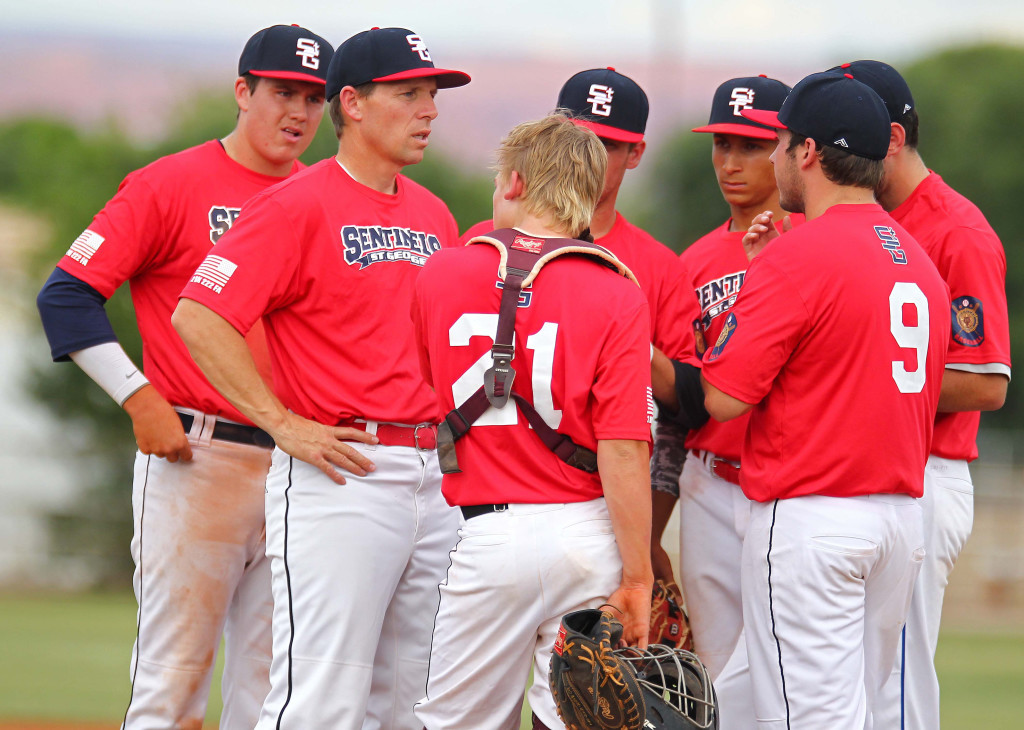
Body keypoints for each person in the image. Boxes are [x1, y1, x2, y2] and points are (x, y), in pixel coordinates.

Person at [35, 24, 333, 729]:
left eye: (314, 98)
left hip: (300, 467)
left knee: (273, 689)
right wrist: (137, 395)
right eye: (283, 91)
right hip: (197, 455)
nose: (298, 112)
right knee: (173, 680)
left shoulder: (321, 195)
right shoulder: (171, 183)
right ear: (243, 91)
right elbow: (67, 294)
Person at [171, 27, 469, 728]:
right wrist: (281, 422)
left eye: (432, 94)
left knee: (414, 695)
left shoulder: (433, 213)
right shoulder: (294, 203)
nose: (428, 109)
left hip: (433, 471)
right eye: (408, 94)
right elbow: (199, 314)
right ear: (354, 104)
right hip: (344, 474)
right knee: (322, 695)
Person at [702, 71, 949, 728]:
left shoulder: (798, 254)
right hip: (898, 520)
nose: (774, 156)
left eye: (780, 142)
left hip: (813, 519)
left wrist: (753, 289)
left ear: (808, 152)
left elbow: (723, 396)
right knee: (855, 713)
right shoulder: (917, 259)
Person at [411, 113, 655, 730]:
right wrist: (638, 576)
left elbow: (428, 383)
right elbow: (624, 447)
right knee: (577, 718)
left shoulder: (440, 272)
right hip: (587, 534)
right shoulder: (618, 288)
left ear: (514, 182)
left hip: (488, 534)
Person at [462, 67, 697, 592]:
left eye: (607, 143)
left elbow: (686, 402)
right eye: (576, 133)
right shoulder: (484, 240)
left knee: (574, 675)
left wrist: (617, 332)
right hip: (480, 497)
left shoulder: (655, 267)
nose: (587, 150)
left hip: (592, 502)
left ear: (635, 153)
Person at [833, 59, 1011, 730]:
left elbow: (987, 381)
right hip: (860, 478)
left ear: (893, 139)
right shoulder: (848, 220)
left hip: (925, 475)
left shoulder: (954, 229)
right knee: (845, 687)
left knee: (896, 692)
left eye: (846, 135)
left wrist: (858, 381)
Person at [647, 74, 793, 730]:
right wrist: (649, 529)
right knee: (712, 674)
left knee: (787, 669)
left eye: (751, 146)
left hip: (787, 486)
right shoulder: (693, 262)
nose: (730, 162)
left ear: (790, 149)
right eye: (722, 144)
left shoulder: (811, 246)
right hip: (710, 484)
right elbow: (680, 405)